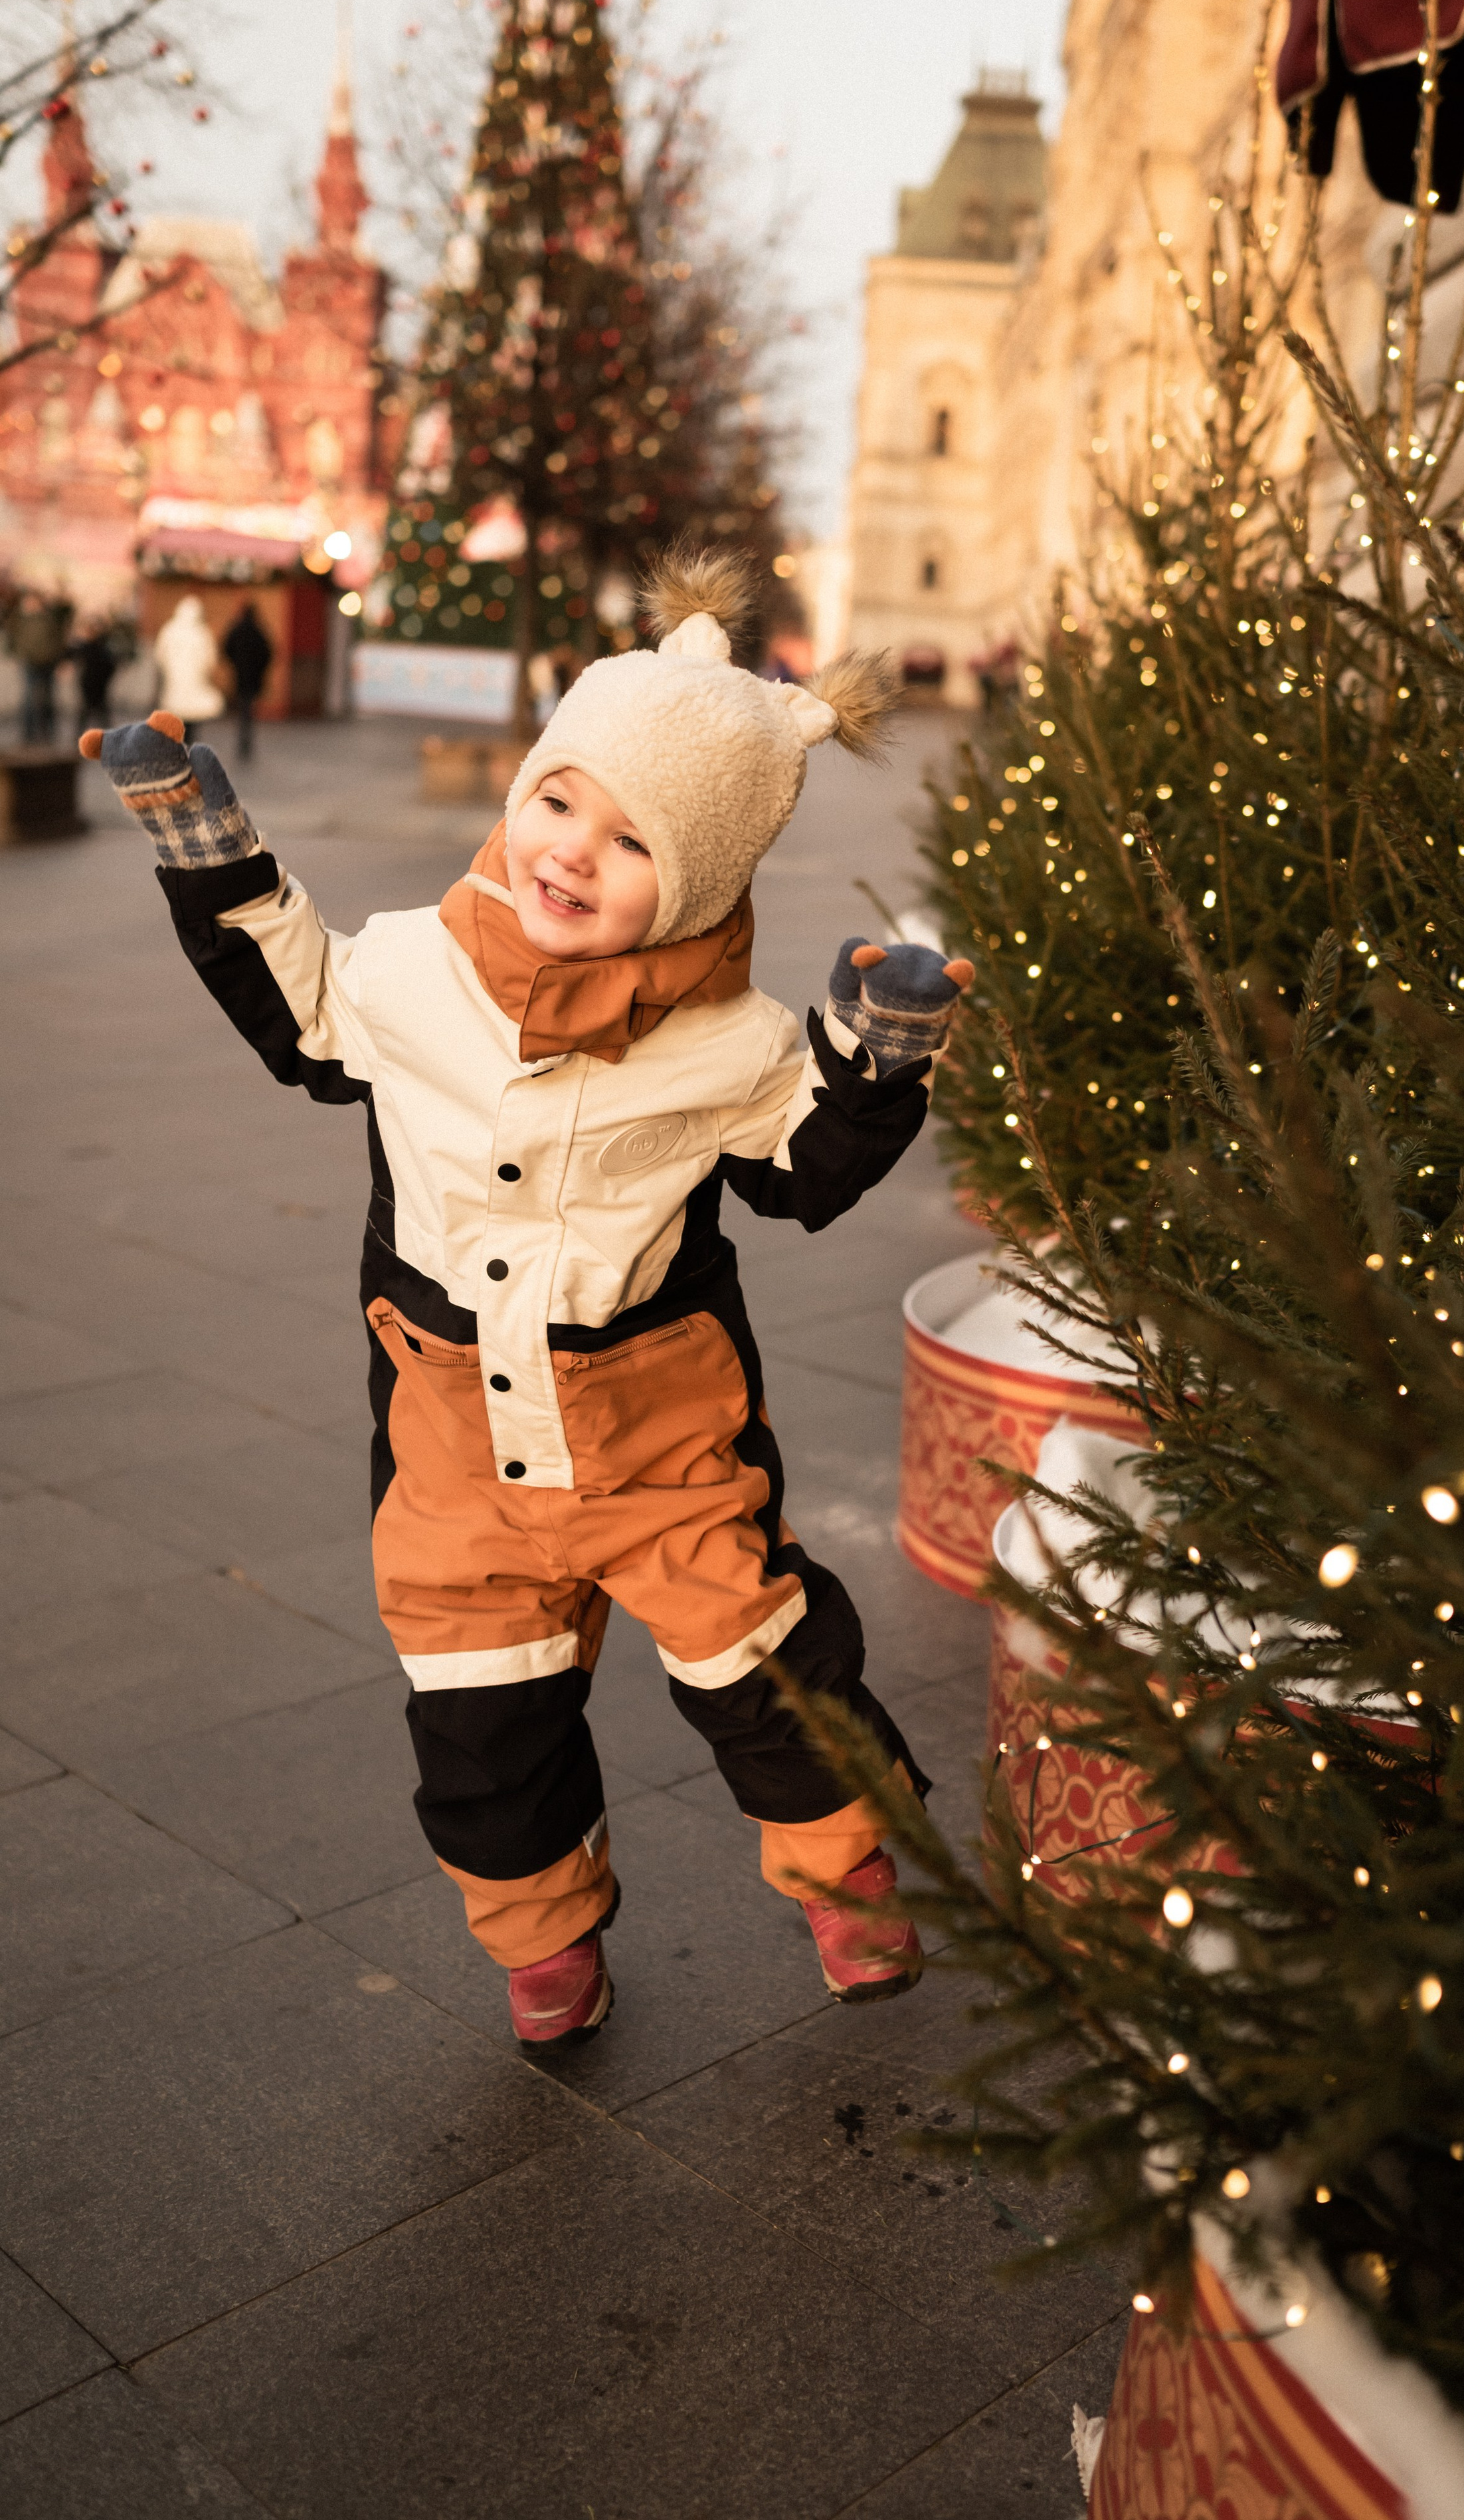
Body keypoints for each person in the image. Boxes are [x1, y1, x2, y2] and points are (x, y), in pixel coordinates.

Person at [78, 546, 976, 2054]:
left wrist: (877, 1055)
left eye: (632, 842)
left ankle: (850, 1871)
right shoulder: (414, 968)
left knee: (768, 1664)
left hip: (657, 1435)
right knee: (481, 1716)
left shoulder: (729, 1040)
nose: (571, 853)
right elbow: (301, 1002)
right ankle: (545, 1934)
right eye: (559, 800)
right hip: (452, 1446)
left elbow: (801, 1164)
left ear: (700, 880)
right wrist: (203, 841)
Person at [151, 594, 225, 743]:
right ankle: (188, 746)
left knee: (176, 721)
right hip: (195, 687)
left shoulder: (169, 630)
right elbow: (211, 660)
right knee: (192, 723)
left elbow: (159, 656)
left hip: (174, 688)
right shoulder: (202, 633)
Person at [9, 589, 70, 744]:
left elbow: (59, 640)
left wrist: (61, 661)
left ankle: (49, 732)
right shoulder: (21, 620)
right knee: (29, 699)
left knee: (49, 698)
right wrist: (20, 654)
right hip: (30, 663)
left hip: (49, 662)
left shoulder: (50, 619)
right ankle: (28, 734)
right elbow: (13, 640)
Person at [221, 602, 273, 761]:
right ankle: (246, 742)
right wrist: (260, 670)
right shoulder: (258, 631)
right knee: (248, 709)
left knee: (244, 709)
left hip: (240, 675)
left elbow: (226, 648)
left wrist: (235, 664)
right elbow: (268, 652)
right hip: (253, 677)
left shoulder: (237, 630)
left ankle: (243, 742)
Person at [68, 620, 120, 733]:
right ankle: (106, 733)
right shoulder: (91, 648)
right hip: (91, 684)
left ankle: (103, 733)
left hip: (95, 684)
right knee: (93, 712)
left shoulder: (98, 649)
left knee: (96, 712)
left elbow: (110, 666)